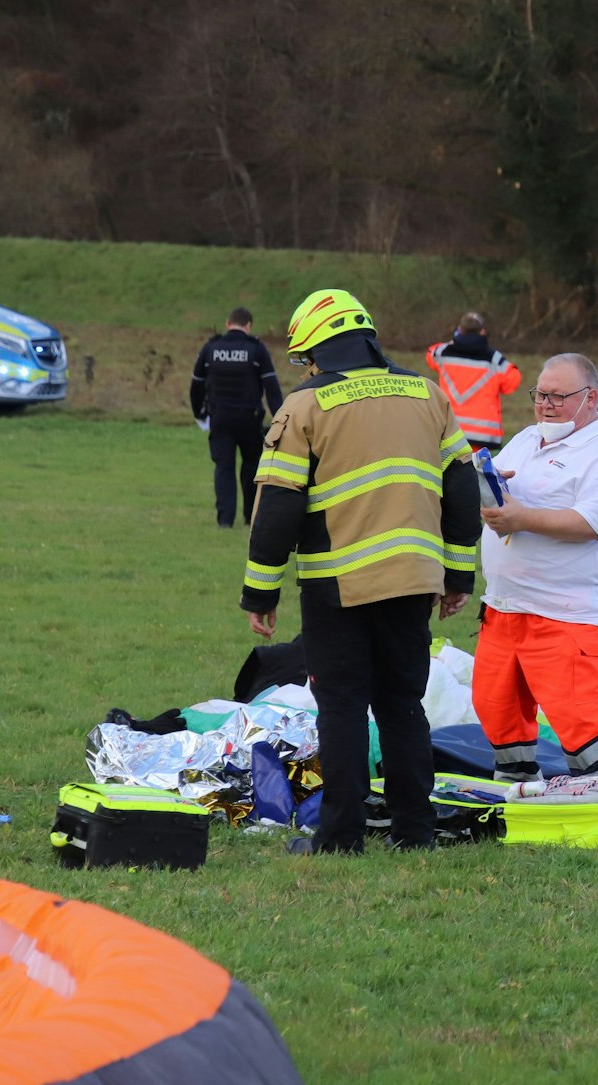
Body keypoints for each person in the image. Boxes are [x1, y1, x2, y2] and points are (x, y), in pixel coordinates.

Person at [241, 288, 480, 854]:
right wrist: (458, 576)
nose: (308, 368)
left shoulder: (304, 406)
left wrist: (260, 592)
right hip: (414, 582)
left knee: (343, 707)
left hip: (336, 585)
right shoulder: (428, 395)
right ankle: (415, 832)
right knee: (403, 706)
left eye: (305, 358)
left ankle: (342, 837)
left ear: (318, 350)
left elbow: (277, 506)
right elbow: (463, 489)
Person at [476, 354, 598, 779]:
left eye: (557, 396)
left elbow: (591, 522)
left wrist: (522, 517)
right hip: (506, 607)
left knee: (578, 714)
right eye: (540, 395)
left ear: (591, 398)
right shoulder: (527, 439)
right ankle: (516, 792)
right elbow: (506, 499)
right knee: (496, 708)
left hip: (569, 610)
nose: (546, 404)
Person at [191, 307, 282, 528]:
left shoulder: (211, 348)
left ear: (227, 323)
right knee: (251, 466)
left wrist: (199, 414)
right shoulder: (257, 350)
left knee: (224, 467)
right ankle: (251, 516)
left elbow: (196, 385)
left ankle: (225, 520)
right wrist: (281, 419)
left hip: (220, 418)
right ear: (248, 326)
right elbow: (271, 388)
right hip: (249, 419)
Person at [426, 311, 524, 451]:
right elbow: (513, 381)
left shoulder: (443, 353)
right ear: (483, 331)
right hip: (482, 434)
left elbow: (430, 354)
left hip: (449, 430)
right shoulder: (494, 360)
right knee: (476, 471)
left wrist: (455, 341)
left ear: (460, 330)